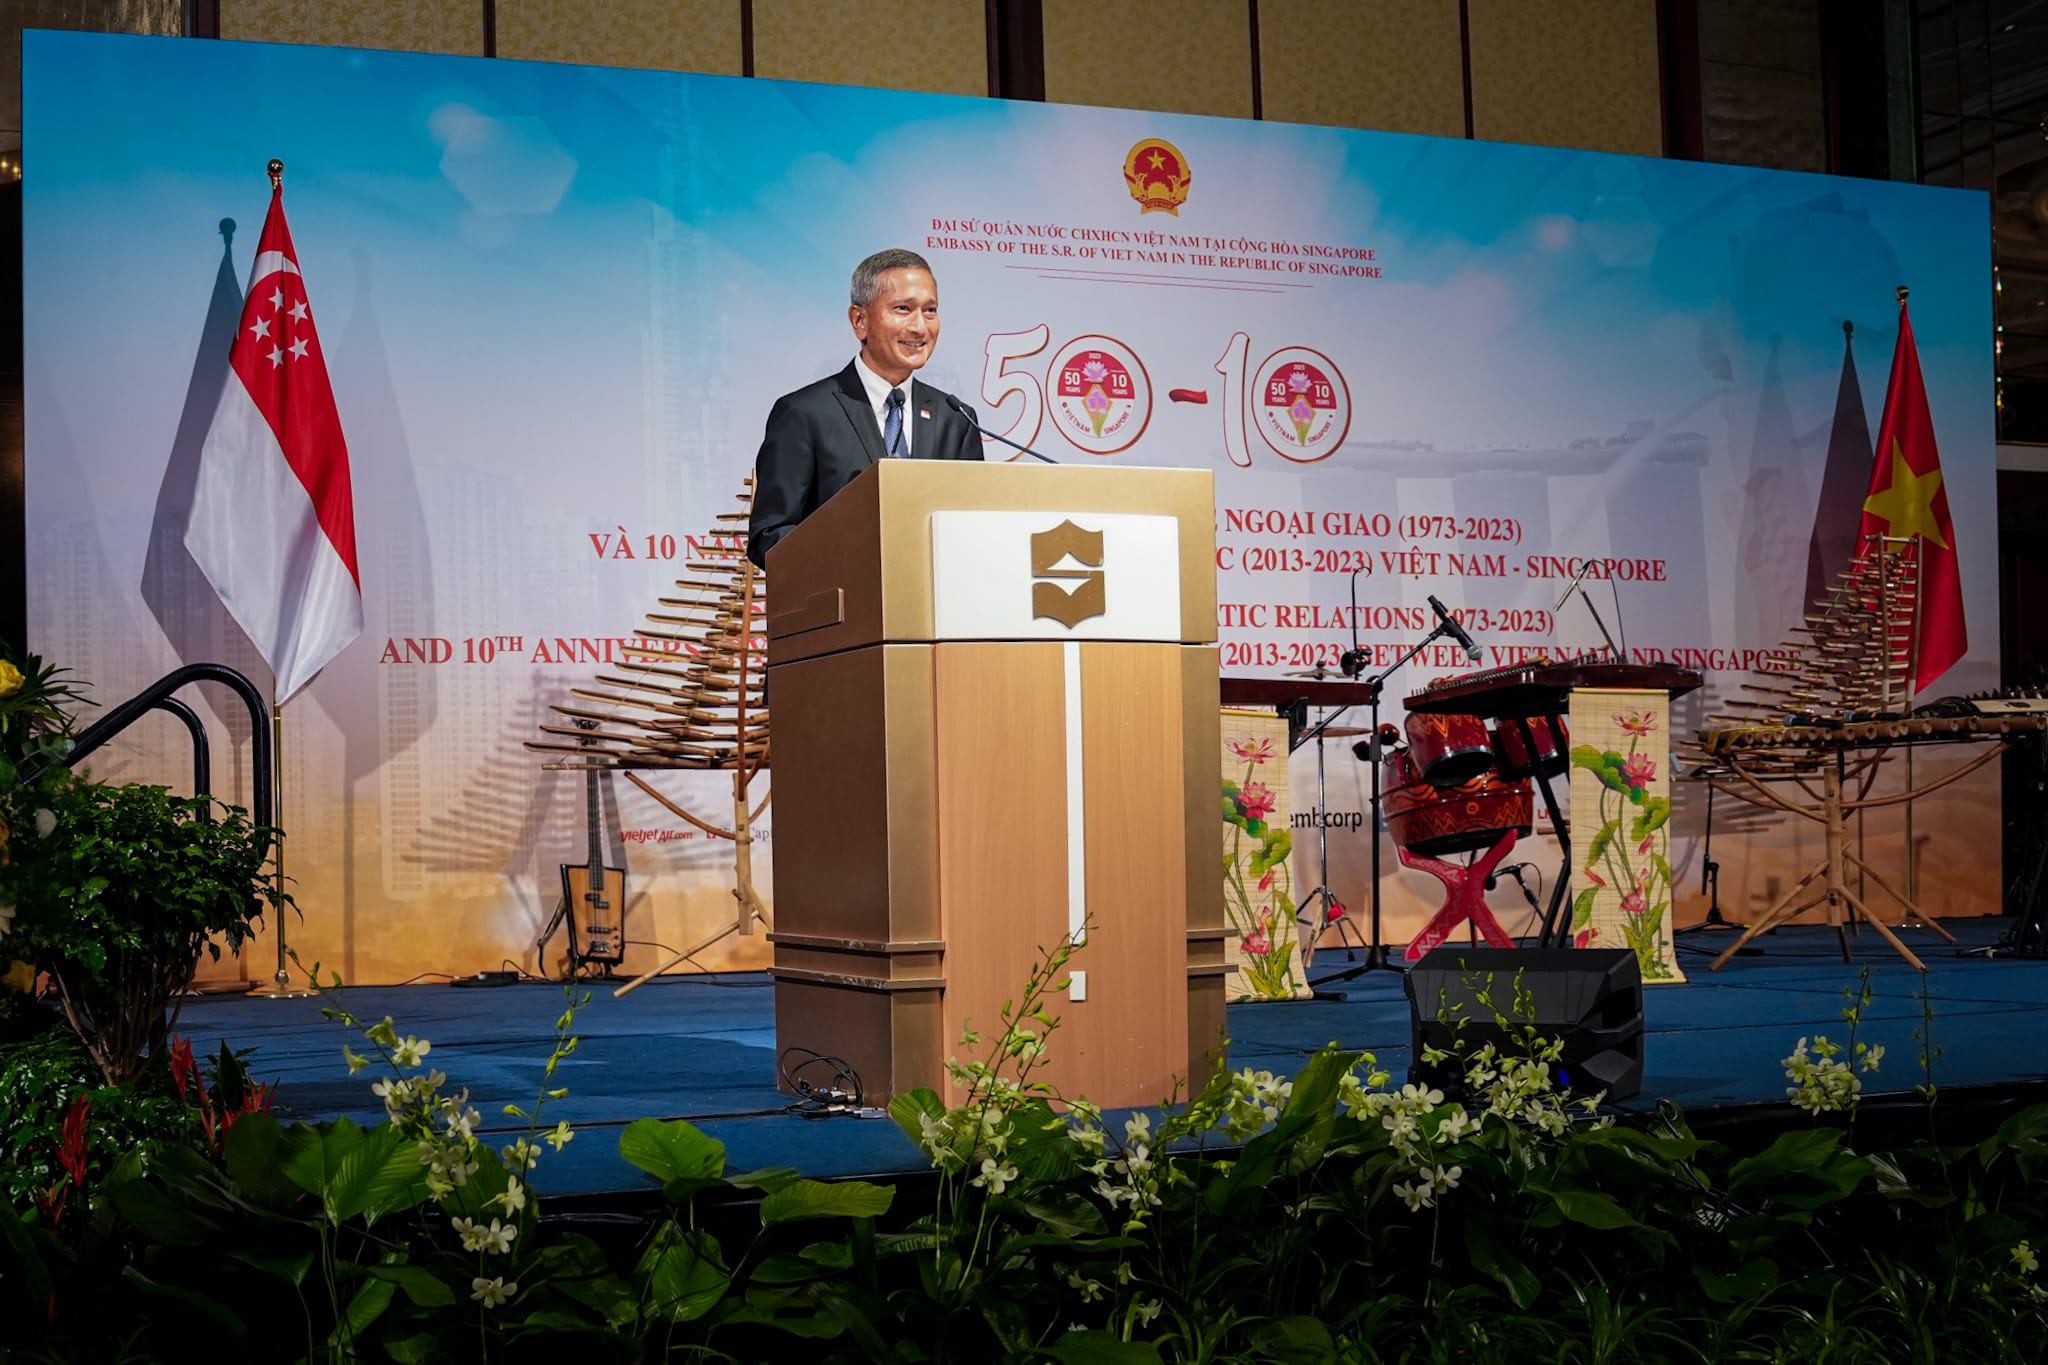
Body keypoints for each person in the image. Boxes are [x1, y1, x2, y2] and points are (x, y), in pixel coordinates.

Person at [747, 249, 984, 568]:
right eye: (903, 309)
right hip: (844, 609)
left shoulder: (955, 418)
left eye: (930, 310)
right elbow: (769, 536)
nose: (920, 327)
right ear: (860, 320)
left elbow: (972, 528)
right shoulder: (804, 413)